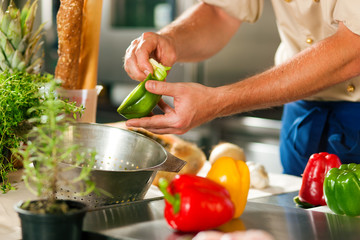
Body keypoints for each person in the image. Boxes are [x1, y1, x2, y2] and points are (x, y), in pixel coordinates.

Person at [122, 0, 360, 176]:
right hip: (302, 112)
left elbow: (353, 49)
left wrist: (218, 101)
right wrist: (171, 39)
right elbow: (221, 11)